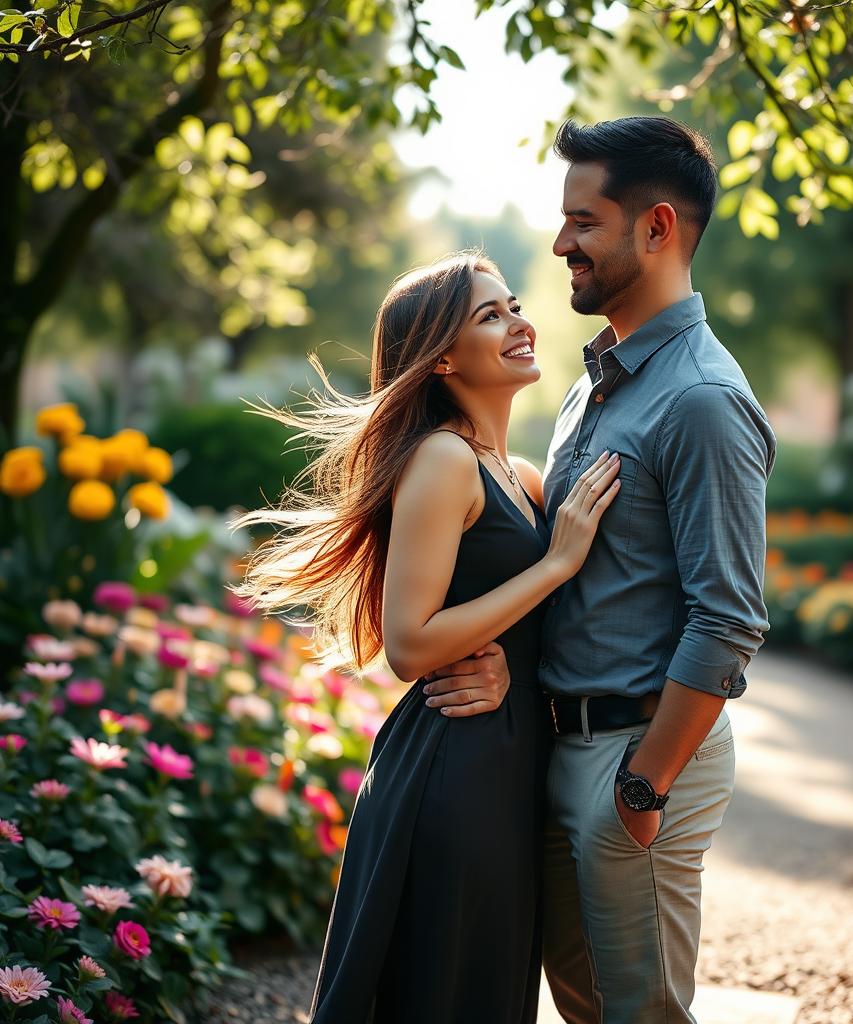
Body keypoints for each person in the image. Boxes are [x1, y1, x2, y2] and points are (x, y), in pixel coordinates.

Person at [428, 116, 776, 1023]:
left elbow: (728, 620)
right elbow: (579, 572)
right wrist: (514, 660)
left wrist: (642, 787)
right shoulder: (595, 381)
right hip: (564, 745)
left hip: (638, 757)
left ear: (656, 228)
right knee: (587, 1009)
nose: (560, 244)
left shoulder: (701, 399)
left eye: (584, 222)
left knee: (641, 1015)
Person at [228, 251, 621, 1023]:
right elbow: (410, 644)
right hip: (453, 767)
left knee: (487, 986)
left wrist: (512, 666)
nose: (518, 322)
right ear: (441, 356)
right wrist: (558, 563)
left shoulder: (522, 476)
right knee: (439, 989)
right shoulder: (443, 460)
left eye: (512, 304)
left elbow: (526, 630)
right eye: (490, 315)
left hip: (509, 761)